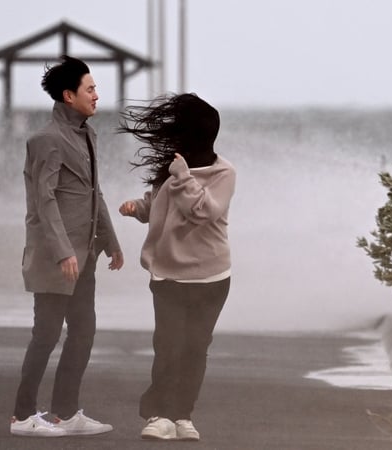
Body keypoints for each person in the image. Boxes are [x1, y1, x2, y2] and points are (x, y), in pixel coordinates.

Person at [10, 55, 124, 438]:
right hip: (55, 258)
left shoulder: (87, 134)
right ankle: (22, 417)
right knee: (45, 334)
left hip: (84, 255)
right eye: (90, 89)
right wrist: (62, 251)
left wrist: (111, 243)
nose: (96, 95)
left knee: (83, 331)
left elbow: (94, 194)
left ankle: (64, 412)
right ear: (68, 95)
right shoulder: (46, 141)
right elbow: (45, 202)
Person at [118, 93, 236, 441]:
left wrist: (182, 176)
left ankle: (182, 415)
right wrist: (137, 208)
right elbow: (160, 206)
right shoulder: (172, 169)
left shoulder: (223, 173)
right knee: (168, 346)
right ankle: (159, 415)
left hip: (212, 277)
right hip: (168, 275)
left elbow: (202, 212)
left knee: (195, 348)